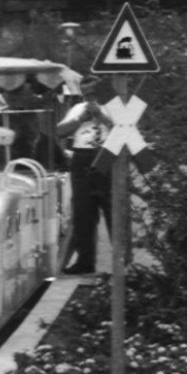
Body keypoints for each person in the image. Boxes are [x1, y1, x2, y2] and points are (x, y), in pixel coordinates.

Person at [56, 75, 113, 275]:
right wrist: (81, 119)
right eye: (87, 93)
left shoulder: (113, 107)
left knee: (112, 210)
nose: (91, 97)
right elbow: (60, 131)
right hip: (81, 158)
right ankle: (85, 261)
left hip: (106, 155)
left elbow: (125, 131)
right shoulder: (77, 110)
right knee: (83, 212)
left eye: (94, 93)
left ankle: (121, 261)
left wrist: (103, 117)